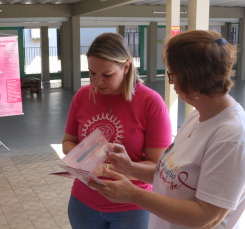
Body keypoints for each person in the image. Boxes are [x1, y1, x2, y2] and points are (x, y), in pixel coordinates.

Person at [88, 30, 245, 229]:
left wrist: (134, 194)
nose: (171, 85)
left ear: (193, 79)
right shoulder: (199, 115)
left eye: (171, 76)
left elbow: (206, 217)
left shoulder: (231, 136)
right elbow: (171, 175)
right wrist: (130, 167)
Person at [62, 32, 172, 229]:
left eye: (107, 75)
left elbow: (158, 167)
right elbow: (68, 142)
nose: (97, 82)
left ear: (126, 66)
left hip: (132, 206)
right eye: (92, 73)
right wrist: (83, 161)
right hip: (83, 203)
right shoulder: (82, 95)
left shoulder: (150, 102)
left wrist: (106, 169)